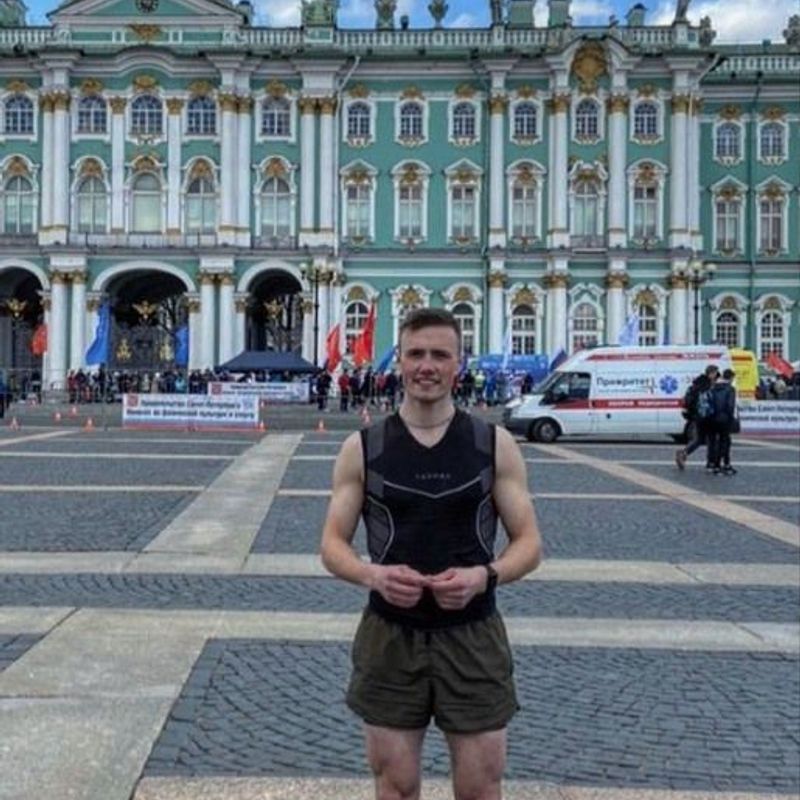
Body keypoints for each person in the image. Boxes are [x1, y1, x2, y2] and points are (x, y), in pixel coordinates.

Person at [321, 308, 542, 800]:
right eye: (416, 354)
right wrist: (371, 576)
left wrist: (484, 576)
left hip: (474, 634)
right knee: (394, 787)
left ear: (458, 364)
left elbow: (529, 544)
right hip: (389, 636)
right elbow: (331, 545)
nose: (427, 366)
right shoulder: (363, 448)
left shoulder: (492, 444)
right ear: (398, 361)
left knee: (480, 788)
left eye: (439, 355)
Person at [675, 364, 719, 471]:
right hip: (706, 416)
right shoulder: (707, 385)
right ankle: (711, 463)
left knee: (699, 439)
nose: (716, 375)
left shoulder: (697, 383)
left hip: (696, 416)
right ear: (711, 373)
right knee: (711, 440)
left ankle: (683, 453)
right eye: (715, 373)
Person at [708, 368, 738, 475]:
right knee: (725, 442)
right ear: (730, 378)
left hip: (712, 418)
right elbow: (730, 406)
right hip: (724, 419)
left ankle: (717, 465)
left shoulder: (713, 387)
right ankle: (724, 465)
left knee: (716, 443)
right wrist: (731, 418)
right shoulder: (730, 389)